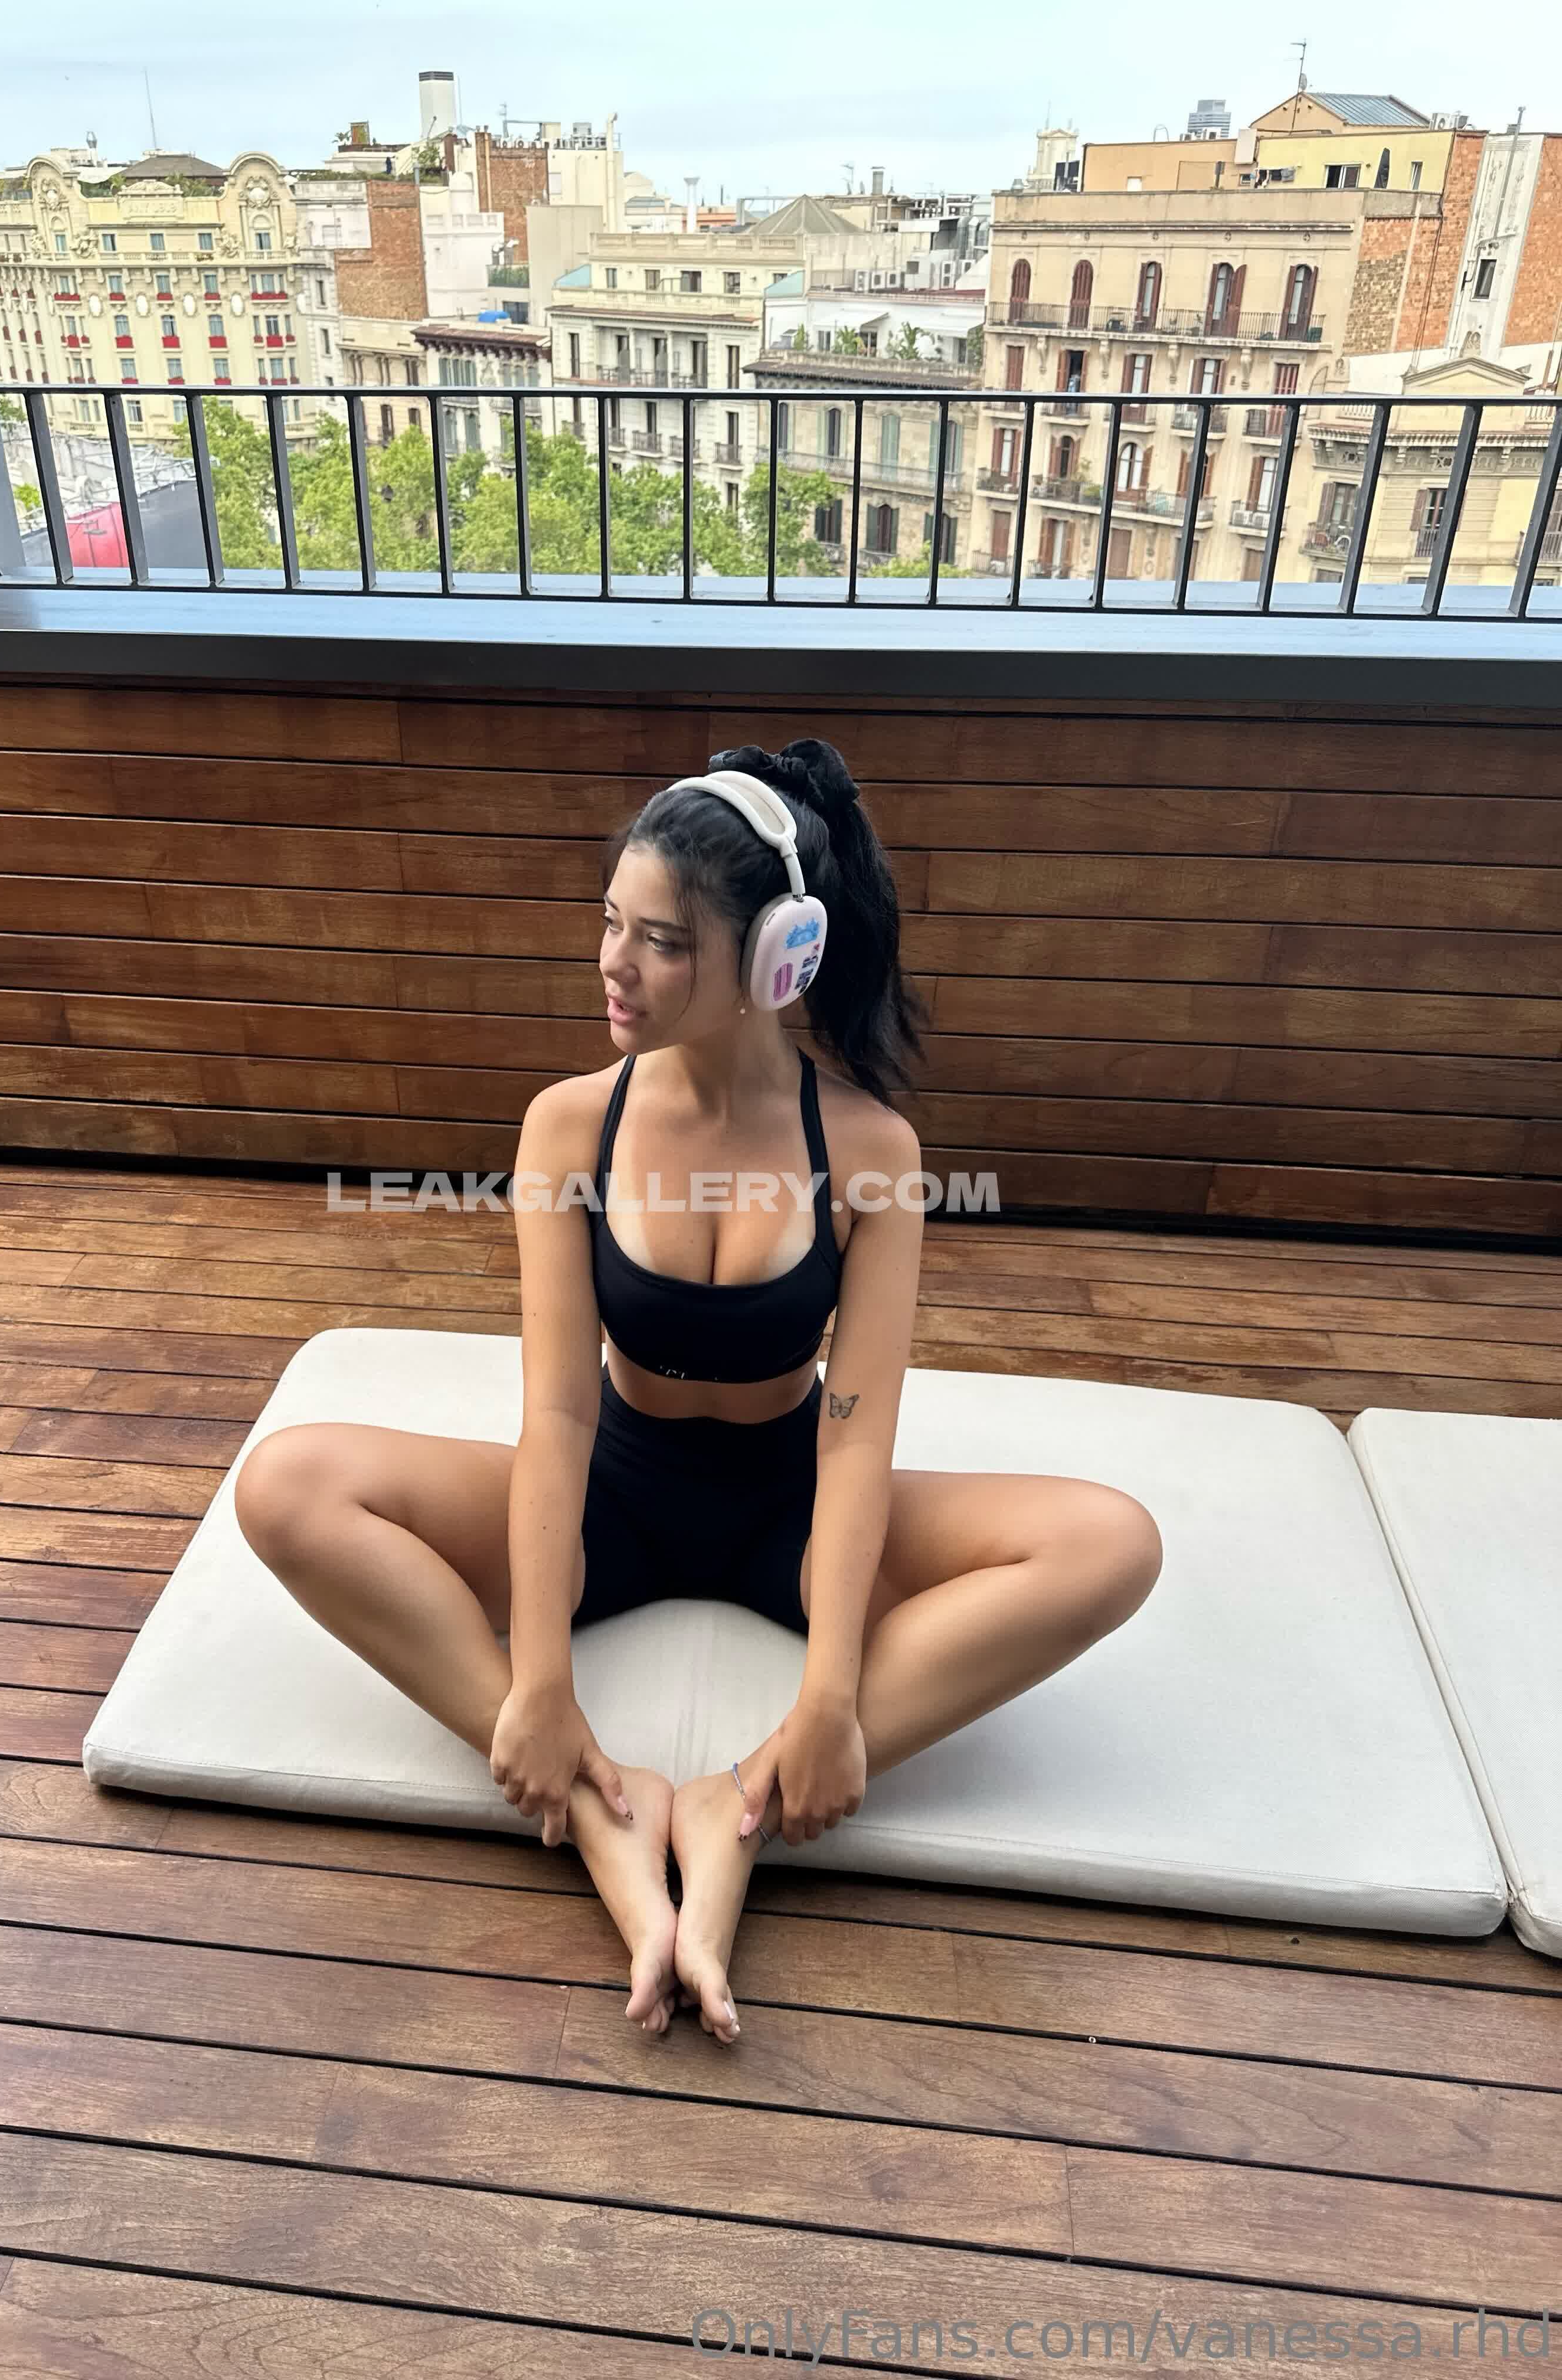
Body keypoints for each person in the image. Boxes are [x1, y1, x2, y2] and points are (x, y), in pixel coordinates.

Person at [234, 737, 1163, 2048]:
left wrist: (829, 1704)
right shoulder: (571, 1124)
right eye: (611, 923)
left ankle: (740, 1807)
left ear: (774, 960)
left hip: (792, 1501)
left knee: (1112, 1544)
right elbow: (558, 1413)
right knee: (288, 1486)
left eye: (662, 941)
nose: (614, 964)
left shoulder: (874, 1152)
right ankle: (595, 1807)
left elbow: (857, 1442)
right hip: (614, 1491)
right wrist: (540, 1683)